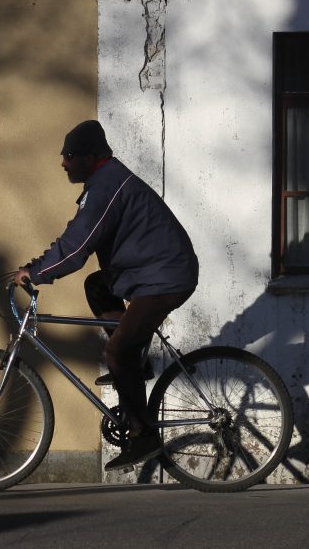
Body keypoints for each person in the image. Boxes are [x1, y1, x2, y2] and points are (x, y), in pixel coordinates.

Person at [15, 120, 199, 471]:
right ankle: (136, 363)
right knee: (97, 286)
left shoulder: (106, 186)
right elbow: (75, 237)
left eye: (69, 156)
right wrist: (37, 265)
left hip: (164, 278)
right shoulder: (102, 183)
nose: (63, 163)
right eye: (62, 155)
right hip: (148, 273)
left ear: (90, 156)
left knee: (117, 351)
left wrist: (35, 272)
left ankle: (142, 436)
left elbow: (78, 246)